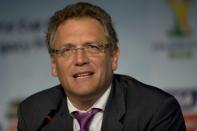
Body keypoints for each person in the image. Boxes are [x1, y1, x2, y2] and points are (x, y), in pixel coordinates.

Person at [17, 2, 186, 131]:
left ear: (113, 57)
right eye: (67, 50)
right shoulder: (33, 113)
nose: (80, 59)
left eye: (92, 47)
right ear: (54, 64)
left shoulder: (156, 110)